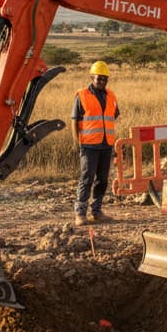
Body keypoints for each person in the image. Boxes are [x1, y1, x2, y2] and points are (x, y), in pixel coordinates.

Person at [71, 60, 119, 226]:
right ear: (92, 77)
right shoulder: (82, 95)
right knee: (87, 178)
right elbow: (75, 120)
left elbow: (113, 115)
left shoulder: (111, 96)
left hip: (106, 144)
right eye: (99, 78)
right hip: (89, 145)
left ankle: (96, 212)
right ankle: (80, 213)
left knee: (102, 180)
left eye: (105, 79)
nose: (102, 81)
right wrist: (76, 142)